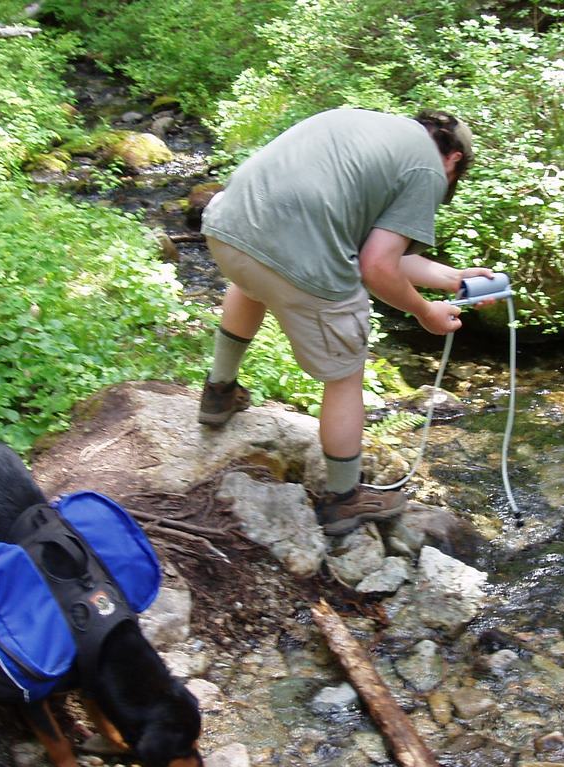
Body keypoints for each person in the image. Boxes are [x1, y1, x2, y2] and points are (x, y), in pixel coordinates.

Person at [198, 107, 494, 536]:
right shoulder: (429, 169)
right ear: (454, 160)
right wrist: (425, 311)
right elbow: (376, 268)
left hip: (228, 226)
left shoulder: (370, 129)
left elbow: (372, 250)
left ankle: (219, 392)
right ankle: (343, 499)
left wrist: (454, 279)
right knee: (345, 374)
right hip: (296, 253)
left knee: (251, 283)